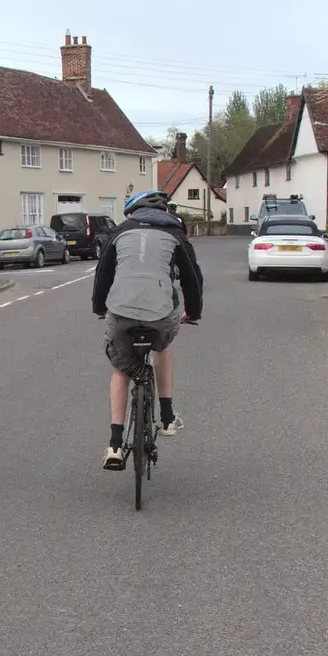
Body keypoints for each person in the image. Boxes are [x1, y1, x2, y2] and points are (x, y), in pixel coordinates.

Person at [91, 188, 203, 470]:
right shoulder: (176, 235)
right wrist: (194, 312)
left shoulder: (118, 233)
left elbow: (102, 274)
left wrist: (99, 308)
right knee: (163, 347)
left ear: (133, 211)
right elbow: (192, 278)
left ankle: (115, 444)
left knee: (120, 369)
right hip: (161, 315)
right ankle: (166, 416)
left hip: (120, 312)